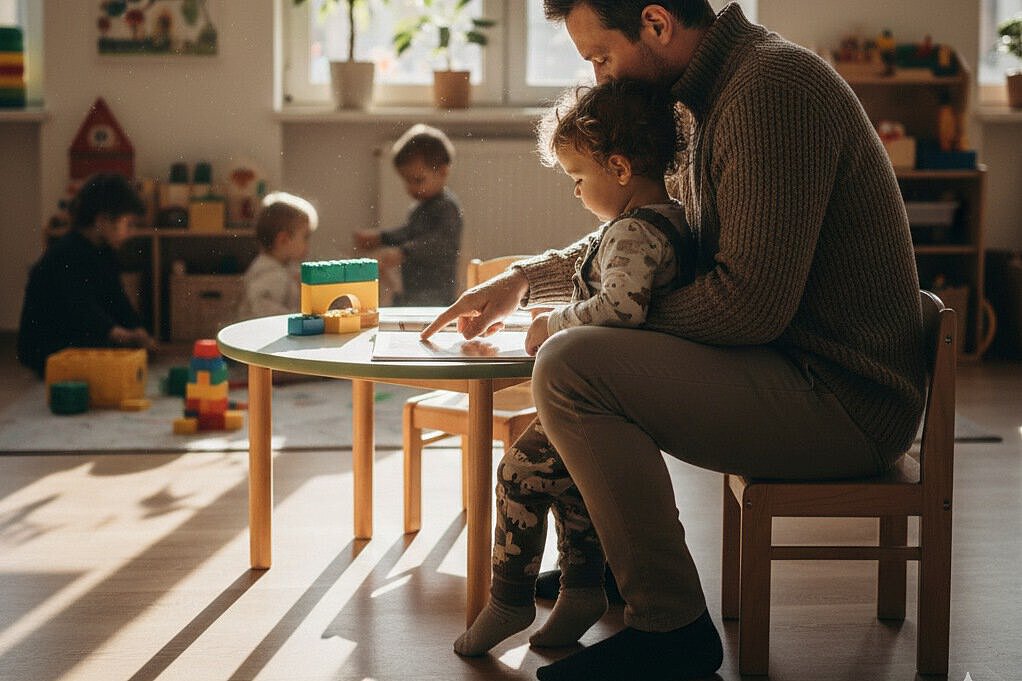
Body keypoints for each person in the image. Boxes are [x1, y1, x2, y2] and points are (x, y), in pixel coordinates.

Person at [423, 2, 927, 680]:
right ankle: (604, 569)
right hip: (793, 368)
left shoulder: (770, 93)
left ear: (656, 24)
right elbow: (653, 233)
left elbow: (749, 307)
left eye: (602, 58)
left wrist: (606, 317)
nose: (600, 81)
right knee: (582, 355)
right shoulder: (708, 97)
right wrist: (526, 279)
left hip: (843, 398)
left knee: (575, 365)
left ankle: (672, 630)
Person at [454, 77, 694, 658]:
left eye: (578, 178)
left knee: (518, 476)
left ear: (617, 167)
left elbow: (622, 308)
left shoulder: (637, 231)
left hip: (608, 394)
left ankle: (509, 599)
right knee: (574, 485)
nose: (576, 192)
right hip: (621, 393)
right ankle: (582, 591)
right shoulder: (672, 218)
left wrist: (550, 324)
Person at [18, 173, 157, 378]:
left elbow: (117, 298)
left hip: (78, 335)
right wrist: (121, 334)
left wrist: (138, 329)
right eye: (128, 224)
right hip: (49, 347)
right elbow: (80, 307)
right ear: (102, 221)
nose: (131, 233)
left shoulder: (104, 251)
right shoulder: (66, 253)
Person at [353, 123, 463, 306]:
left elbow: (437, 242)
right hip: (414, 287)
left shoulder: (447, 207)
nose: (411, 188)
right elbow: (409, 232)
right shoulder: (422, 207)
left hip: (436, 291)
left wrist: (404, 252)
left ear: (443, 172)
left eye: (418, 180)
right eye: (406, 181)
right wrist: (381, 238)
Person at [235, 191, 318, 320]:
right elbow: (260, 304)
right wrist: (294, 318)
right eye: (305, 237)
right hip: (260, 335)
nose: (308, 244)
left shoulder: (281, 267)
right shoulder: (271, 273)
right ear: (283, 240)